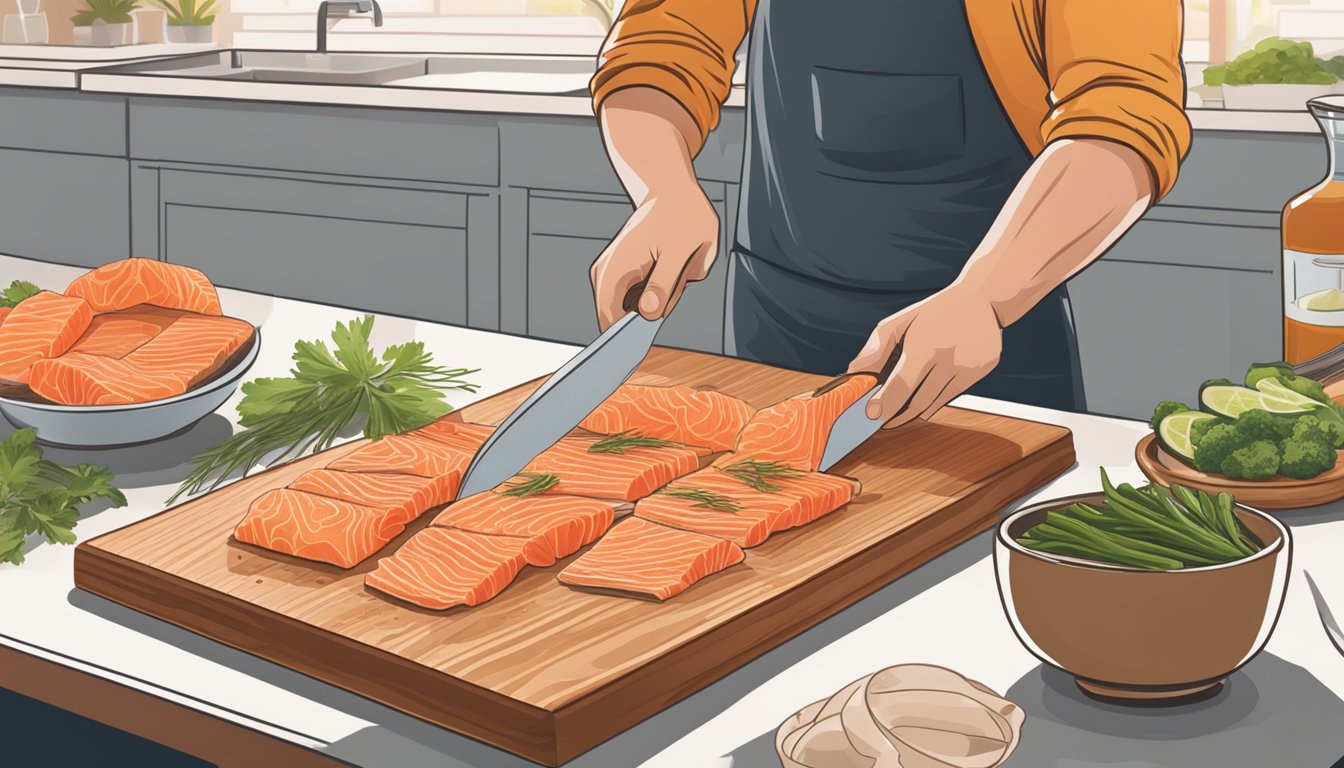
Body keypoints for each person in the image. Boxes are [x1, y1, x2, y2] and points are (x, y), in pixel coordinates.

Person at [587, 0, 1190, 428]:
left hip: (979, 339)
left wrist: (984, 297)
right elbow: (661, 50)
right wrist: (661, 188)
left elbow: (1121, 119)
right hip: (776, 315)